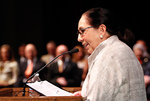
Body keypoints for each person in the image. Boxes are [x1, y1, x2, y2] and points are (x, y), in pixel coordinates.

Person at [73, 7, 147, 101]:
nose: (79, 38)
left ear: (102, 30)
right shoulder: (122, 49)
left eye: (82, 31)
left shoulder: (107, 56)